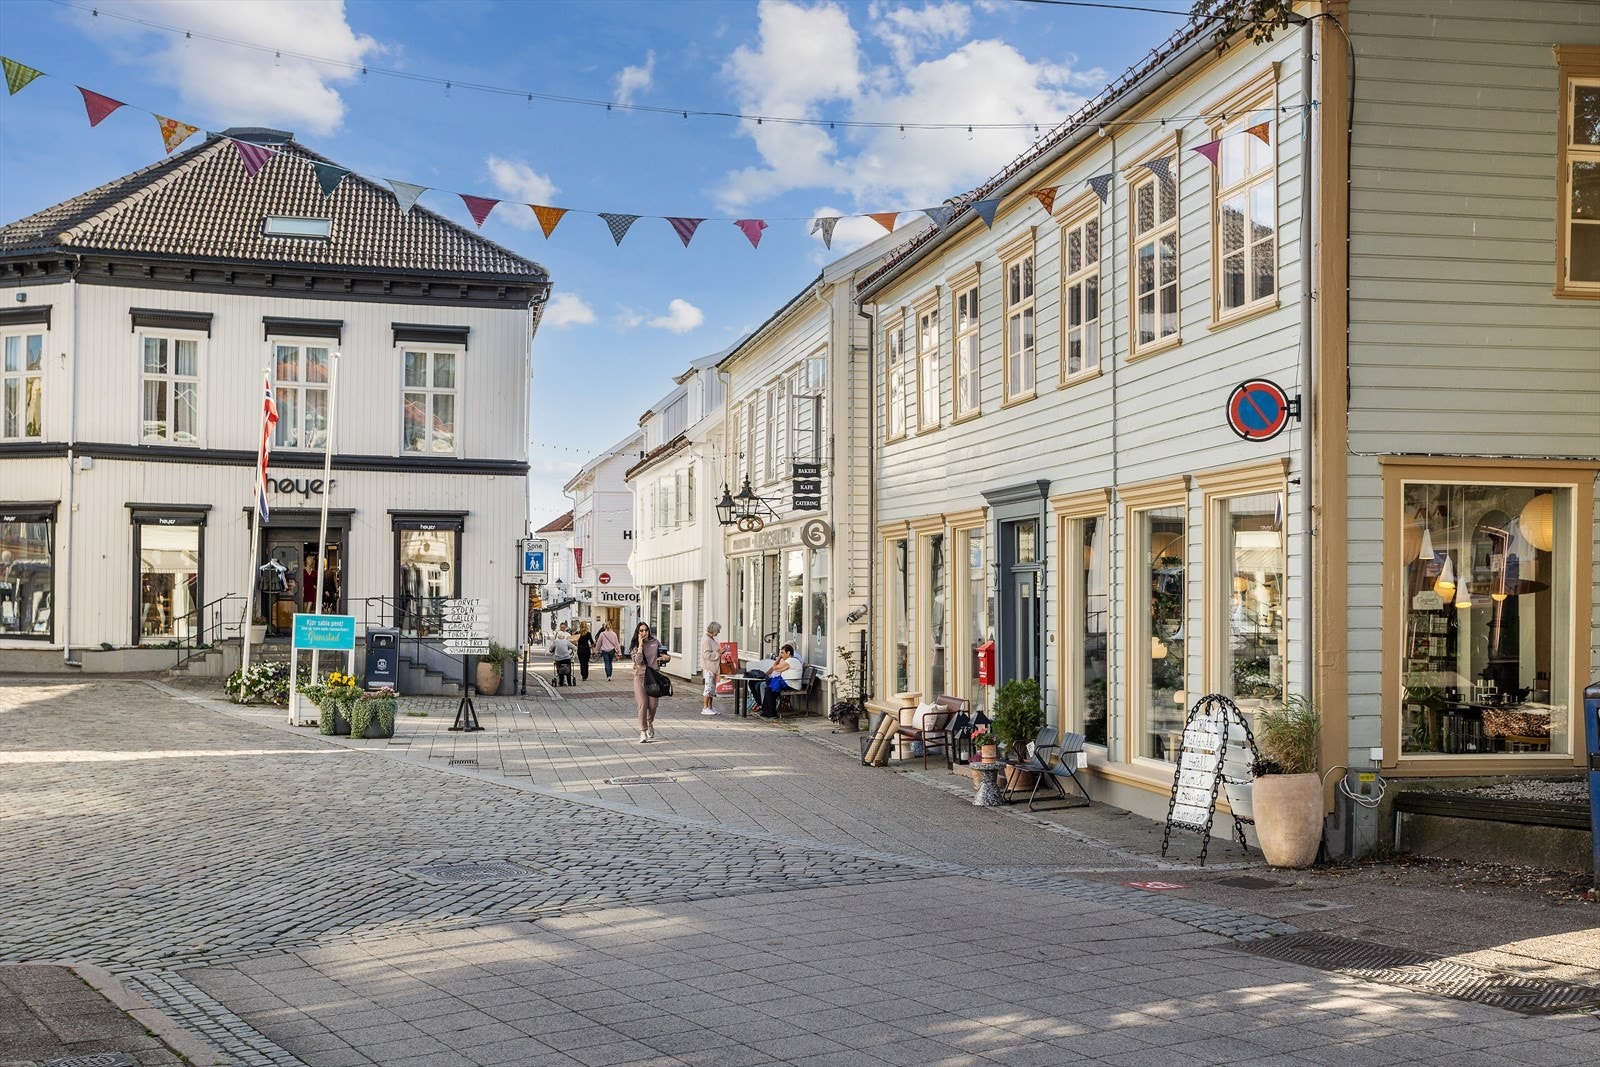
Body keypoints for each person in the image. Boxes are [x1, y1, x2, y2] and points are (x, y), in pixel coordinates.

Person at [629, 621, 670, 742]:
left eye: (646, 630)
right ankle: (642, 731)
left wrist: (666, 658)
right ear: (637, 632)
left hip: (653, 677)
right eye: (641, 630)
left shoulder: (655, 642)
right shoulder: (635, 646)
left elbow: (665, 655)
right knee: (642, 704)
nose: (644, 632)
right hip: (640, 677)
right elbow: (638, 661)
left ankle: (649, 722)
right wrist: (640, 645)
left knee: (653, 705)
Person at [760, 643, 805, 719]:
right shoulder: (790, 661)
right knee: (768, 688)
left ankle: (770, 712)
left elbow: (774, 667)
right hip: (787, 682)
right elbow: (777, 668)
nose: (781, 655)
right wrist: (781, 657)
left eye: (782, 653)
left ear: (788, 653)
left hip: (791, 684)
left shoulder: (791, 661)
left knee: (769, 690)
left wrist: (779, 658)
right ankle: (767, 711)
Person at [700, 622, 723, 715]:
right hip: (709, 667)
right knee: (708, 688)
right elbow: (706, 654)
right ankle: (705, 707)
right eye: (718, 630)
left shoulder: (710, 638)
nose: (719, 632)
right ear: (713, 630)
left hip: (713, 667)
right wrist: (719, 653)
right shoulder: (706, 640)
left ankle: (710, 707)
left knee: (712, 688)